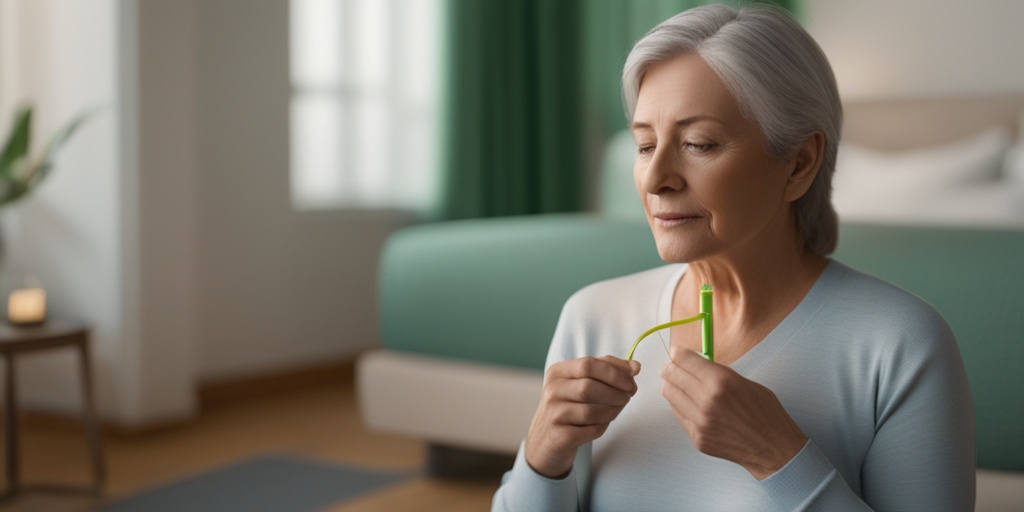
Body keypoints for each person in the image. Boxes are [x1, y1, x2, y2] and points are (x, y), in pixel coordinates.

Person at [492, 4, 975, 511]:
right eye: (643, 145)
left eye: (698, 144)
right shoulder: (592, 317)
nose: (656, 179)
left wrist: (781, 458)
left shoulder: (901, 345)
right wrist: (543, 456)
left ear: (799, 164)